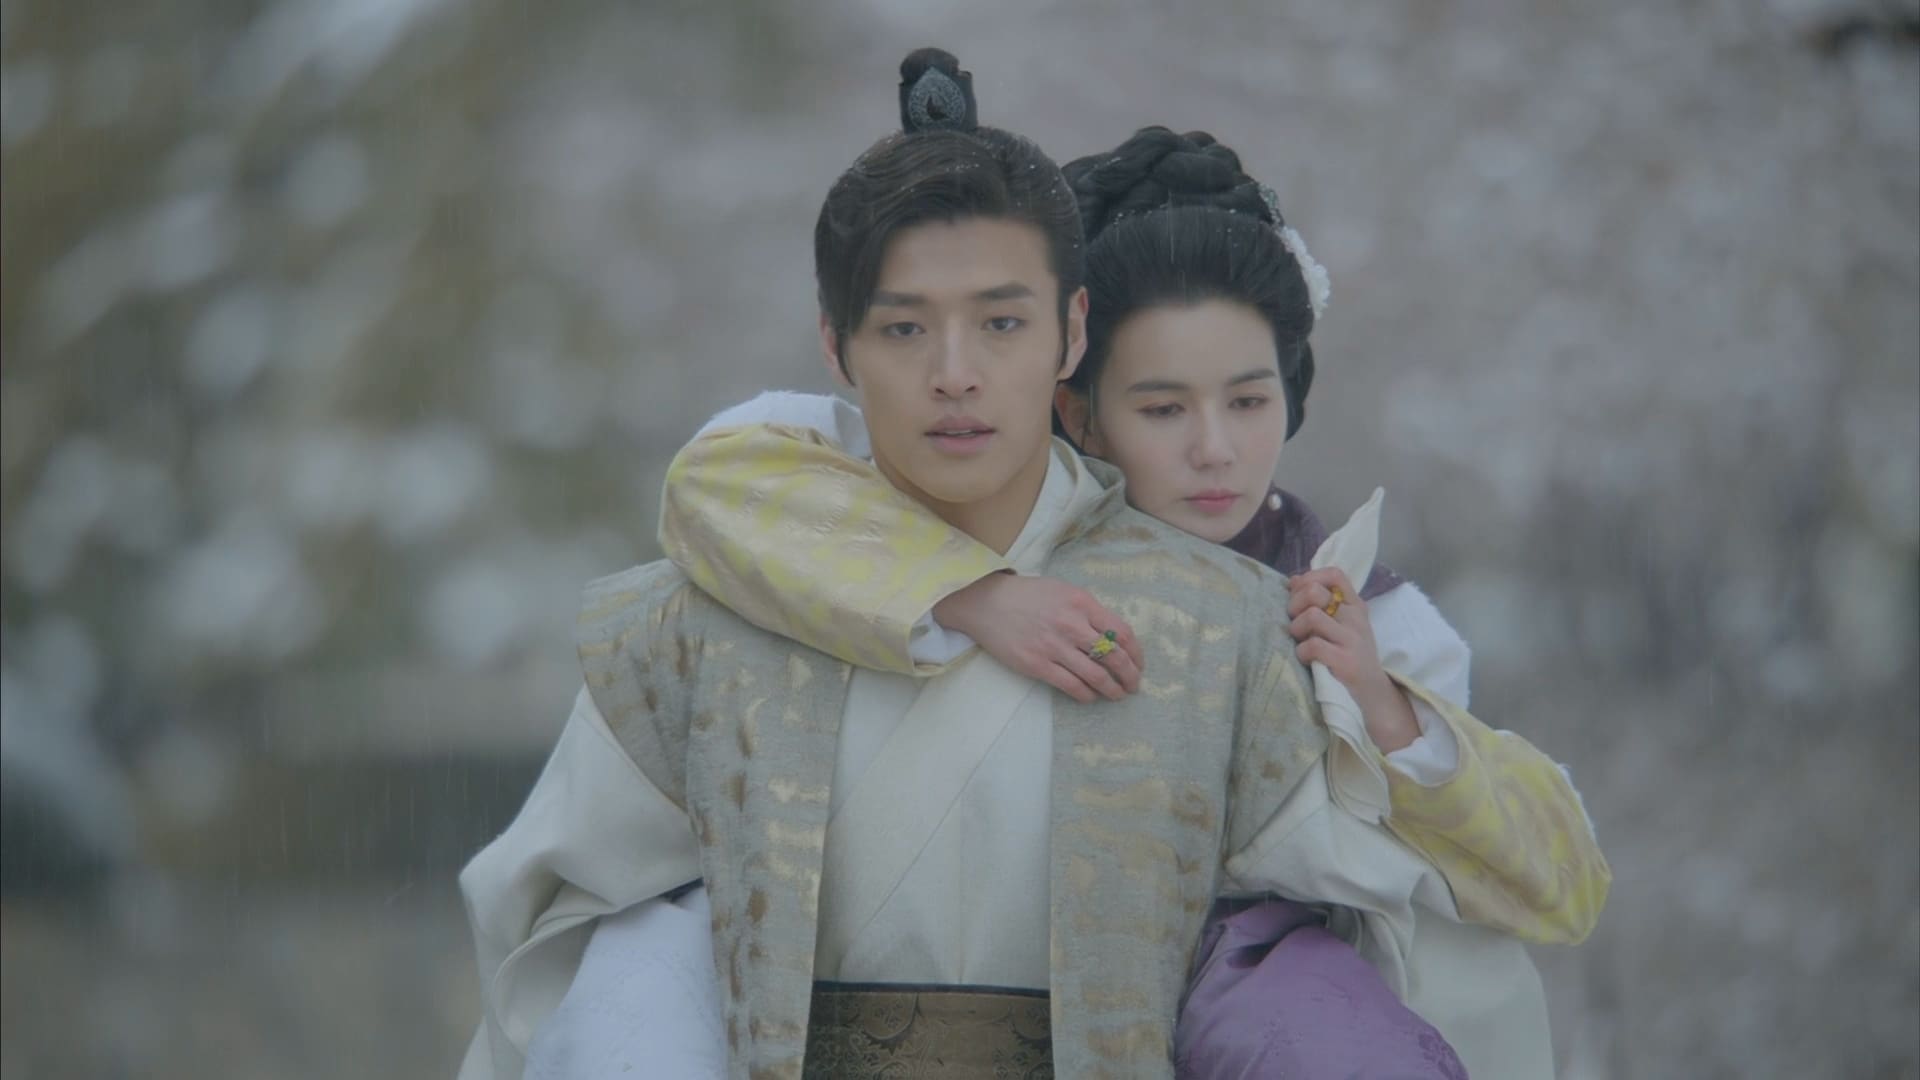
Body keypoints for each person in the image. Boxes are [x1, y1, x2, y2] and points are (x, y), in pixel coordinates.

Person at [460, 49, 1593, 1080]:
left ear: (1071, 332)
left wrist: (1390, 718)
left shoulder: (1233, 628)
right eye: (904, 328)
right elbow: (557, 932)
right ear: (834, 343)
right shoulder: (700, 618)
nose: (954, 373)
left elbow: (1434, 913)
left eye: (1002, 324)